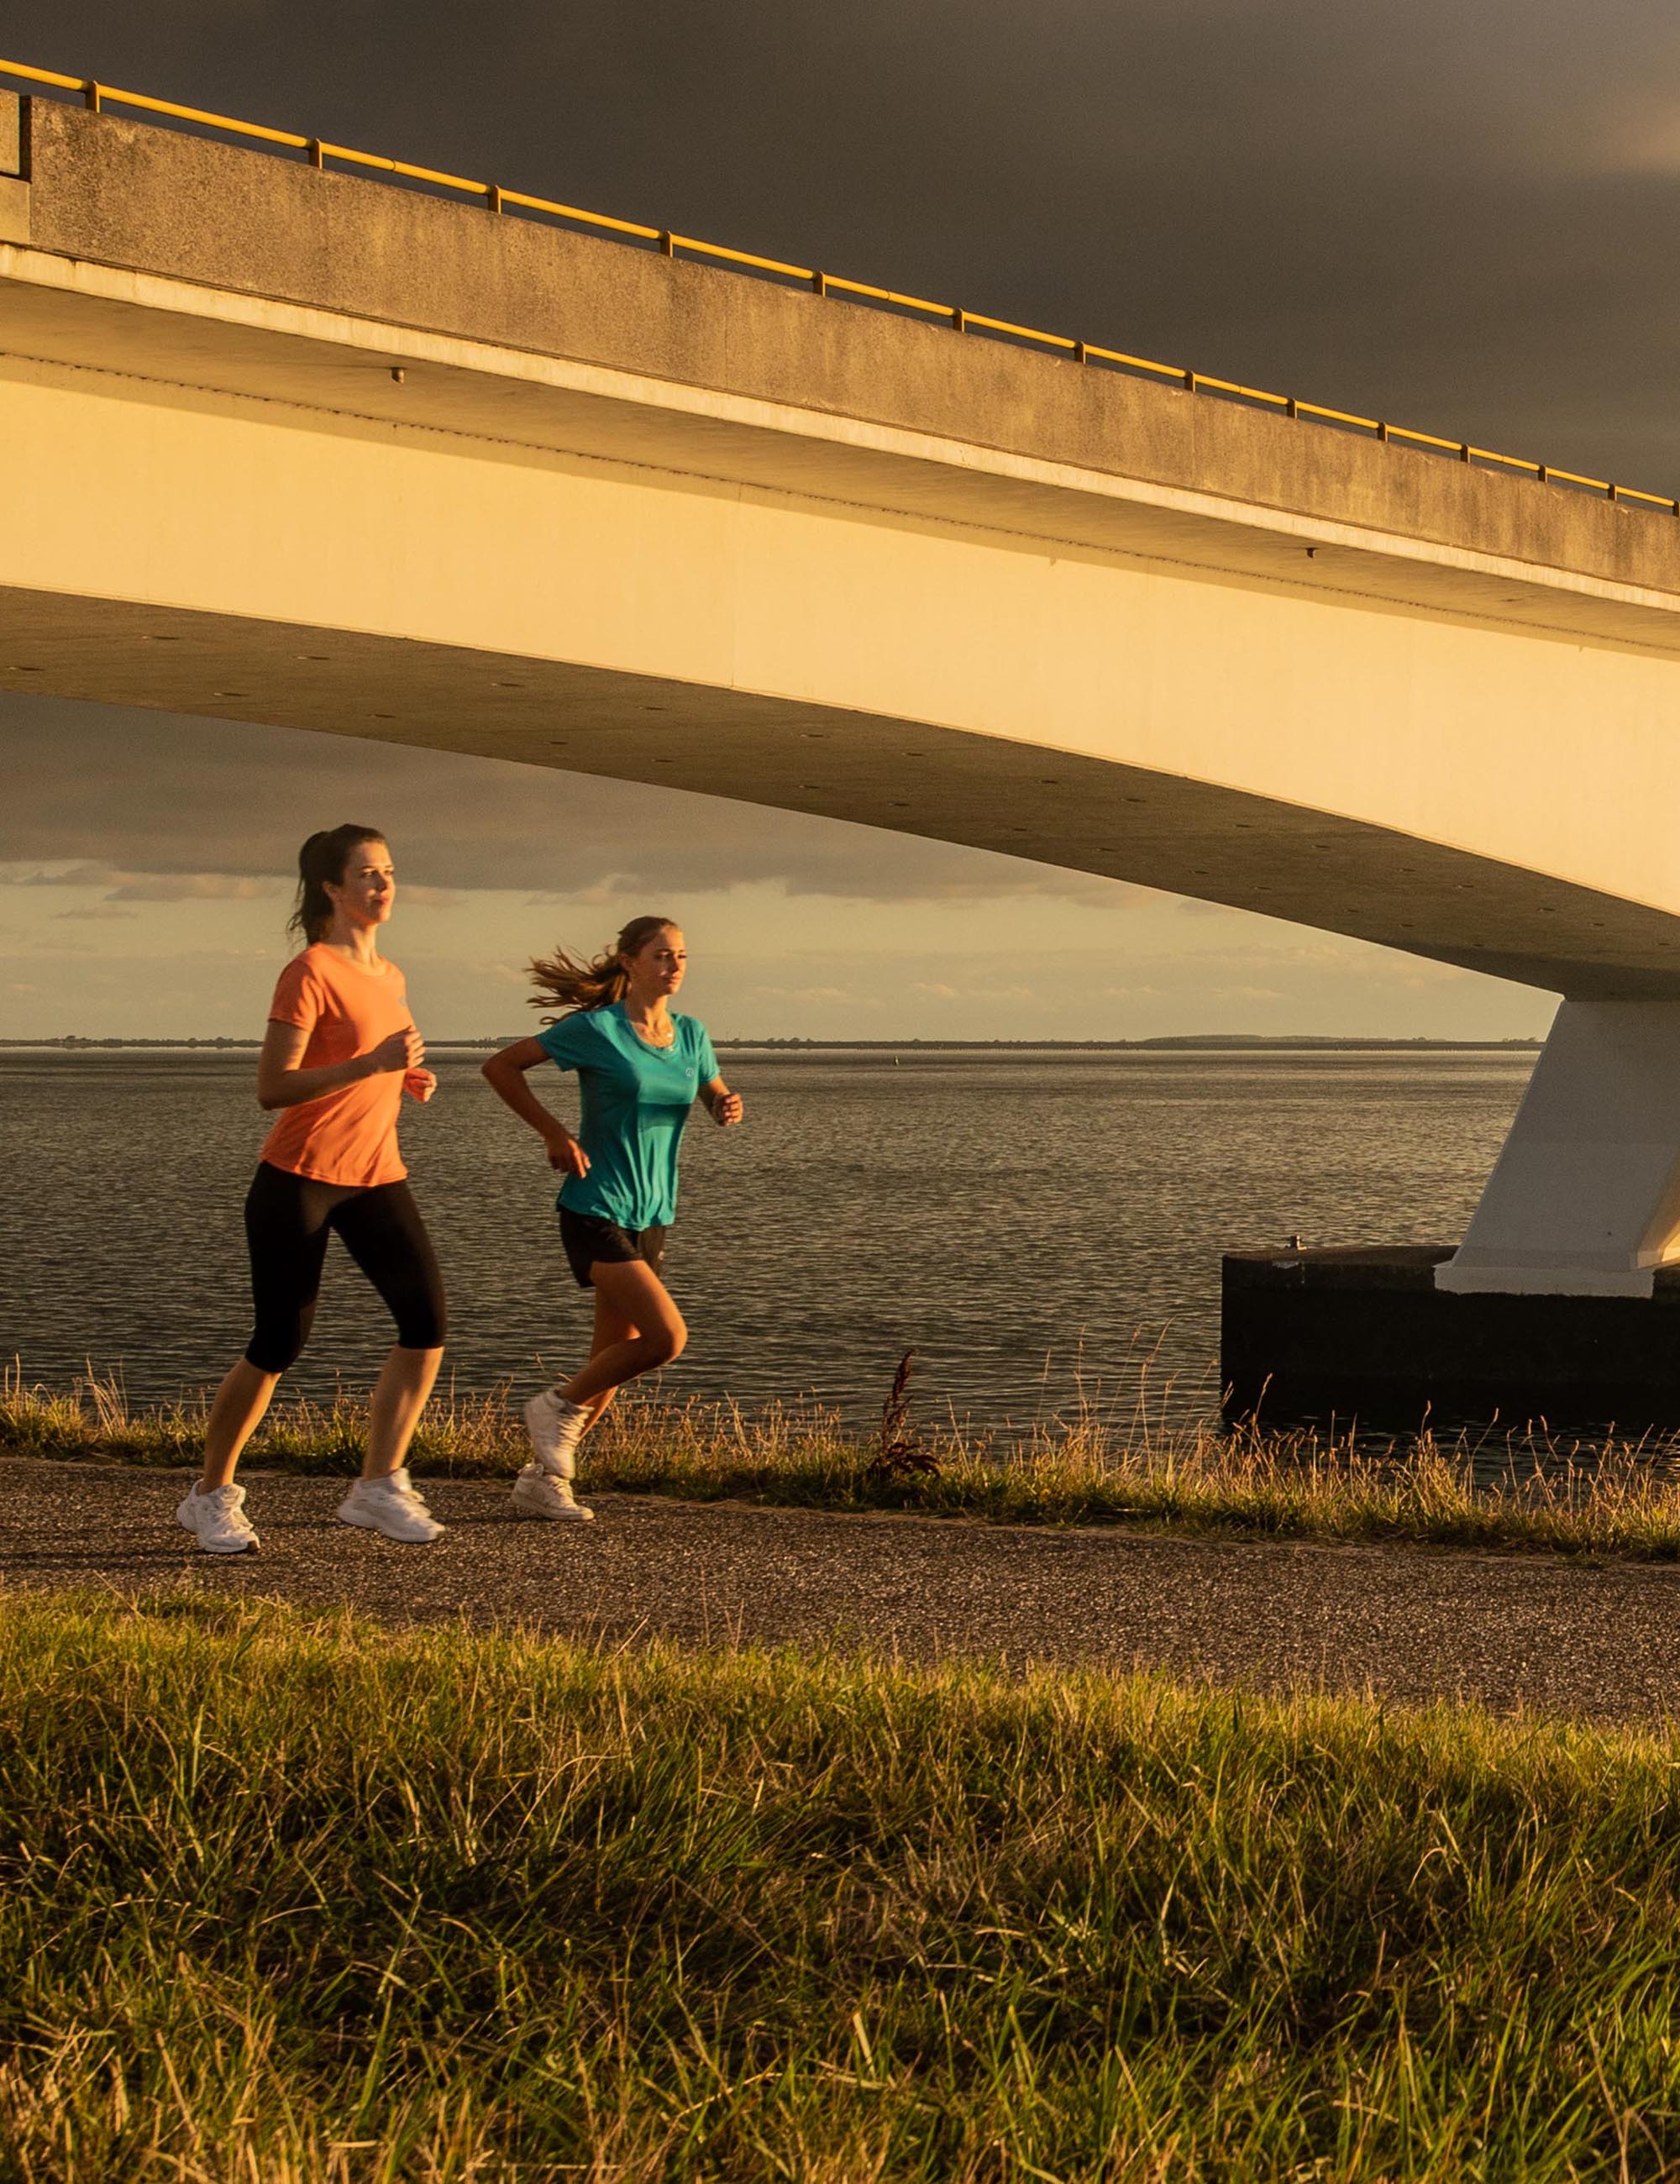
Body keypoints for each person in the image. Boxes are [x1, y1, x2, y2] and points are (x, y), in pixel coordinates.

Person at [176, 825, 448, 1554]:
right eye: (367, 875)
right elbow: (273, 1087)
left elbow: (377, 1058)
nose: (383, 886)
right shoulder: (310, 972)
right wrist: (370, 1063)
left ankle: (378, 1485)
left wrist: (403, 1075)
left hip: (376, 1173)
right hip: (299, 1178)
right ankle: (210, 1497)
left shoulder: (390, 975)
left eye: (389, 872)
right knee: (279, 1340)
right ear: (332, 888)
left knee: (426, 1321)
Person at [481, 916, 743, 1520]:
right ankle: (552, 1407)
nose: (674, 965)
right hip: (594, 1204)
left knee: (611, 1361)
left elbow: (711, 1091)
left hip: (652, 1213)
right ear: (628, 961)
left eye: (681, 956)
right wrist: (552, 1132)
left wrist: (724, 1105)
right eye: (661, 955)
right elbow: (501, 1067)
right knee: (666, 1338)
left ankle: (540, 1483)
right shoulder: (597, 1030)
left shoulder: (691, 1034)